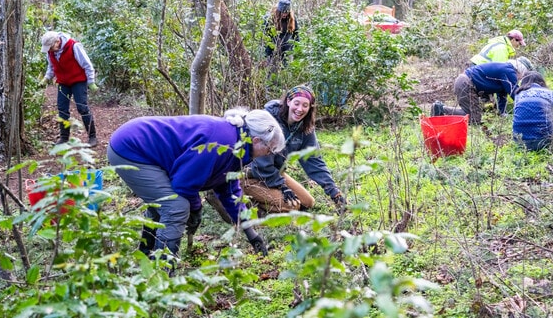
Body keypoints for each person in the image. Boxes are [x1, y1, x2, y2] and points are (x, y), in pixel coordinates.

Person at [106, 108, 285, 260]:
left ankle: (145, 254)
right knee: (175, 205)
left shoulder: (236, 146)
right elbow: (183, 185)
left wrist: (250, 232)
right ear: (256, 140)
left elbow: (229, 189)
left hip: (139, 146)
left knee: (163, 200)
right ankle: (162, 271)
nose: (267, 155)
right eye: (269, 150)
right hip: (131, 148)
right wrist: (196, 208)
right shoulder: (221, 141)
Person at [242, 85, 346, 213]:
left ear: (310, 107)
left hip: (275, 172)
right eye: (296, 103)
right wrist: (282, 186)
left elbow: (314, 160)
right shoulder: (269, 119)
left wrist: (334, 192)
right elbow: (261, 163)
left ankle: (263, 201)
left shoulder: (304, 127)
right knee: (293, 206)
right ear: (288, 101)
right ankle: (246, 206)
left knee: (308, 202)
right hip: (252, 171)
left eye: (305, 105)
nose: (300, 109)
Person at [40, 30, 99, 147]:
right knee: (62, 109)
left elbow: (87, 65)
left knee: (82, 108)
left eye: (51, 47)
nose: (49, 50)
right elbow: (51, 67)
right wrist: (46, 78)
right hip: (63, 82)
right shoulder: (50, 52)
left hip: (78, 81)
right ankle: (64, 138)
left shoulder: (74, 46)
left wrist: (91, 82)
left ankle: (92, 137)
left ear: (57, 42)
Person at [431, 59, 529, 125]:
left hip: (466, 83)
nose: (520, 78)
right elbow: (514, 92)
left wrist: (502, 113)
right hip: (465, 83)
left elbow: (502, 94)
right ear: (520, 70)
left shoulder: (506, 69)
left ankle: (443, 109)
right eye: (522, 76)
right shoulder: (508, 70)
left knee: (474, 115)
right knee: (474, 119)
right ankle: (441, 109)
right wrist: (527, 107)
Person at [513, 71, 553, 151]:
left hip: (520, 142)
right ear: (541, 82)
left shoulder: (518, 94)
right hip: (544, 141)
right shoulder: (549, 93)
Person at [264, 0, 299, 64]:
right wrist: (267, 51)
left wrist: (297, 47)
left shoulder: (292, 19)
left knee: (287, 70)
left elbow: (296, 34)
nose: (284, 14)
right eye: (282, 12)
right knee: (272, 71)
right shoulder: (270, 19)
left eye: (286, 12)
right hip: (273, 51)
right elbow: (265, 35)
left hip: (288, 51)